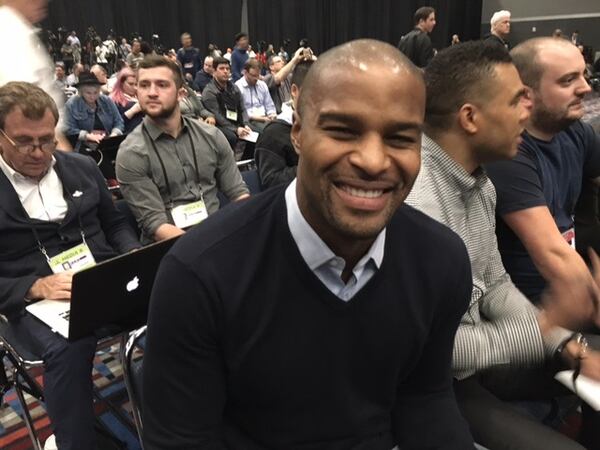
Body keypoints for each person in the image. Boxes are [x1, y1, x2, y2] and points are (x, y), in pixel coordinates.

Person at [142, 38, 474, 450]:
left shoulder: (441, 260)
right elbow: (182, 442)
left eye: (400, 138)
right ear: (297, 133)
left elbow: (426, 397)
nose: (372, 161)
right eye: (342, 131)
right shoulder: (199, 274)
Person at [406, 40, 600, 450]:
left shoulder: (480, 184)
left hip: (483, 354)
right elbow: (433, 350)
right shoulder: (419, 202)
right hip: (433, 382)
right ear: (470, 118)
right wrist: (546, 326)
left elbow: (495, 286)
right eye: (517, 101)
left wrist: (567, 345)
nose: (526, 113)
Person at [0, 81, 140, 450]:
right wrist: (33, 287)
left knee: (181, 290)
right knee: (70, 344)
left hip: (102, 276)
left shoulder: (79, 166)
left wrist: (131, 256)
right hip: (30, 303)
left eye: (47, 139)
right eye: (24, 141)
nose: (39, 151)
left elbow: (116, 223)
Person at [485, 38, 600, 305]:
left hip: (575, 284)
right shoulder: (509, 152)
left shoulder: (575, 130)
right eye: (568, 81)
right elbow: (552, 255)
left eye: (583, 75)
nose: (585, 88)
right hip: (537, 306)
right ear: (526, 94)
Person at [116, 56, 249, 244]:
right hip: (169, 249)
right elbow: (154, 224)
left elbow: (238, 193)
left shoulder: (212, 136)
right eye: (144, 85)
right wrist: (203, 247)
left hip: (218, 237)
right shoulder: (131, 153)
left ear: (180, 94)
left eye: (162, 85)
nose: (152, 92)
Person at [255, 60, 313, 188]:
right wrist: (315, 167)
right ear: (294, 91)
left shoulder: (328, 127)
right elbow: (271, 182)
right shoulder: (273, 133)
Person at [63, 71, 123, 152]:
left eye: (96, 92)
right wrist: (87, 136)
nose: (92, 96)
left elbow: (119, 122)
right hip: (84, 146)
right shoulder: (72, 104)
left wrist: (113, 135)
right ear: (81, 92)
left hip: (107, 143)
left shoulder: (106, 101)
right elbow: (68, 129)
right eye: (88, 93)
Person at [201, 56, 252, 150]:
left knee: (256, 133)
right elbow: (217, 116)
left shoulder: (234, 88)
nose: (225, 71)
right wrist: (236, 130)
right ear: (214, 71)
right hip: (219, 125)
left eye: (227, 69)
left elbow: (242, 108)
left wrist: (246, 124)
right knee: (231, 137)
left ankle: (246, 161)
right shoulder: (209, 91)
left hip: (236, 121)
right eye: (221, 68)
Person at [263, 47, 314, 114]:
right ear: (271, 67)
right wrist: (294, 59)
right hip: (277, 115)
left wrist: (310, 58)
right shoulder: (267, 78)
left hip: (291, 111)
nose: (282, 62)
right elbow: (277, 78)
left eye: (282, 60)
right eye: (278, 61)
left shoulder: (288, 77)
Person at [234, 58, 276, 132]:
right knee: (268, 132)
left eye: (258, 75)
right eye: (253, 75)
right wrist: (261, 118)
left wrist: (272, 114)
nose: (256, 78)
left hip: (266, 118)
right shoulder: (238, 87)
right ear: (245, 72)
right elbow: (242, 112)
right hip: (249, 120)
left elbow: (269, 105)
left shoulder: (262, 85)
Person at [109, 67, 144, 133]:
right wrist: (132, 111)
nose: (135, 88)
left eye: (136, 84)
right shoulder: (113, 100)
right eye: (130, 84)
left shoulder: (139, 96)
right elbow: (112, 125)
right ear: (121, 83)